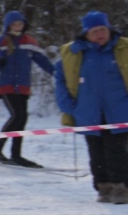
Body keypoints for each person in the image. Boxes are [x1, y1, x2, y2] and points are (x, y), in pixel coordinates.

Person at [54, 12, 128, 204]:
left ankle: (121, 187)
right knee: (96, 154)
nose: (99, 34)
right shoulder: (73, 53)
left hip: (120, 110)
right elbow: (61, 80)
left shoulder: (123, 48)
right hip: (87, 112)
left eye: (102, 29)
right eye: (94, 31)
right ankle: (103, 187)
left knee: (117, 151)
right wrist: (70, 107)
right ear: (86, 34)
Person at [0, 10, 57, 167]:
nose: (18, 26)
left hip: (23, 86)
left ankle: (16, 155)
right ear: (8, 25)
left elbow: (42, 60)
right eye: (15, 24)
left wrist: (56, 72)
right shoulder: (0, 42)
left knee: (22, 117)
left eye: (20, 23)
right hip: (5, 85)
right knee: (17, 115)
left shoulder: (29, 41)